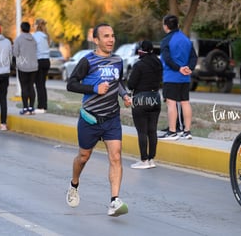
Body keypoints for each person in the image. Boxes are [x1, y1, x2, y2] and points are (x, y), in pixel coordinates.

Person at [65, 23, 132, 217]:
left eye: (112, 36)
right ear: (96, 40)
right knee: (84, 157)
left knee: (116, 156)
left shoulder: (118, 60)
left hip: (111, 118)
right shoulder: (87, 61)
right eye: (106, 36)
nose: (111, 39)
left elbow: (118, 82)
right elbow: (71, 84)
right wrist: (94, 89)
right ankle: (74, 184)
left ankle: (114, 201)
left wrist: (125, 95)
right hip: (90, 119)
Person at [159, 14, 197, 140]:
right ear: (178, 25)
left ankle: (172, 131)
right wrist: (189, 68)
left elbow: (167, 59)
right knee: (185, 102)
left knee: (171, 104)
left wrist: (178, 68)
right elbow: (193, 57)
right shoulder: (186, 39)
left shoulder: (166, 40)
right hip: (185, 78)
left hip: (171, 77)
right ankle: (187, 131)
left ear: (166, 26)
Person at [127, 40, 163, 169]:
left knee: (142, 131)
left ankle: (143, 160)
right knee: (152, 130)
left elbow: (130, 84)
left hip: (141, 99)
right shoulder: (158, 63)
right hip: (155, 98)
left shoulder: (139, 65)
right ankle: (152, 159)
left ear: (141, 50)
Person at [13, 21, 38, 115]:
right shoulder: (33, 39)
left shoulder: (18, 39)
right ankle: (31, 107)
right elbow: (36, 50)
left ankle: (25, 108)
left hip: (23, 67)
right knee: (31, 86)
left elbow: (15, 53)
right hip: (34, 66)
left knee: (24, 87)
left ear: (21, 28)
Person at [32, 18, 50, 114]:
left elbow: (33, 49)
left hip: (38, 60)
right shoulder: (46, 36)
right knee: (42, 84)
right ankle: (44, 105)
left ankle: (41, 106)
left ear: (36, 25)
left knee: (38, 85)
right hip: (46, 61)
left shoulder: (35, 36)